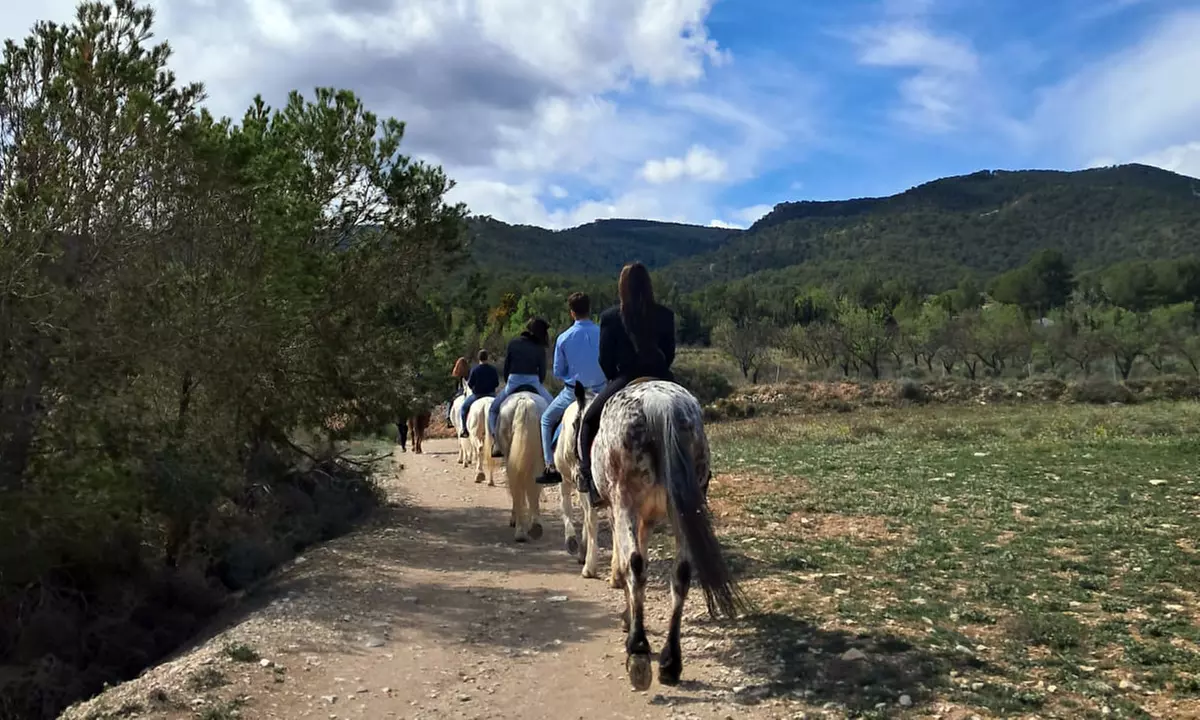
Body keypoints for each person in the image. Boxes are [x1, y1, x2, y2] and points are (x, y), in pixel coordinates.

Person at [576, 262, 676, 509]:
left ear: (623, 287)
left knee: (588, 420)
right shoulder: (665, 314)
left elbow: (605, 359)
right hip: (661, 376)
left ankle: (589, 480)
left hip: (626, 377)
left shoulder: (611, 317)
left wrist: (614, 378)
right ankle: (700, 479)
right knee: (692, 411)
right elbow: (670, 353)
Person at [537, 292, 606, 485]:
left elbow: (558, 372)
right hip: (601, 391)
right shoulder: (602, 333)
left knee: (546, 420)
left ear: (571, 313)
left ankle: (550, 466)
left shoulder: (564, 338)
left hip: (573, 393)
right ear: (589, 309)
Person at [487, 317, 555, 455]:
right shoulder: (539, 348)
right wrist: (538, 382)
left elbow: (506, 367)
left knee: (493, 410)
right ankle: (552, 444)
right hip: (533, 381)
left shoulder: (513, 343)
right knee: (554, 408)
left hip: (514, 380)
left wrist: (509, 381)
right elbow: (542, 372)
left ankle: (496, 442)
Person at [459, 350, 500, 438]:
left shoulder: (475, 369)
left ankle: (464, 429)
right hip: (491, 394)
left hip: (477, 395)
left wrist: (475, 388)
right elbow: (496, 383)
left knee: (463, 409)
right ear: (487, 358)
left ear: (478, 358)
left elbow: (470, 384)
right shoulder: (493, 369)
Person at [446, 356, 470, 427]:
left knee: (450, 400)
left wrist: (455, 393)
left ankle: (448, 417)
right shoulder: (468, 372)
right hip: (467, 390)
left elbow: (455, 387)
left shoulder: (456, 373)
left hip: (460, 391)